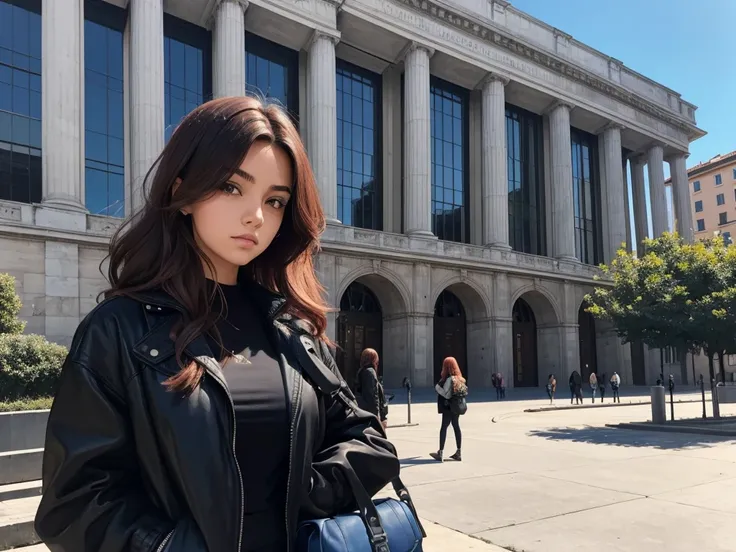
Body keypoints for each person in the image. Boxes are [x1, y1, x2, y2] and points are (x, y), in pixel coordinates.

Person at [33, 97, 400, 552]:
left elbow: (368, 443)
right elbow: (72, 504)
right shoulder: (119, 330)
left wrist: (302, 491)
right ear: (181, 192)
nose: (256, 216)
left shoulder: (292, 330)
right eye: (231, 187)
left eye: (276, 200)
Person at [430, 357, 468, 462]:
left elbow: (446, 394)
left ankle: (441, 453)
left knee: (444, 427)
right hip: (457, 407)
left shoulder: (449, 379)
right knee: (456, 426)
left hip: (448, 407)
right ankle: (458, 452)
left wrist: (437, 388)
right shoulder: (461, 379)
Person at [355, 348, 388, 429]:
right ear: (373, 359)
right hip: (372, 416)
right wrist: (377, 418)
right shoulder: (370, 372)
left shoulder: (362, 371)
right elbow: (373, 397)